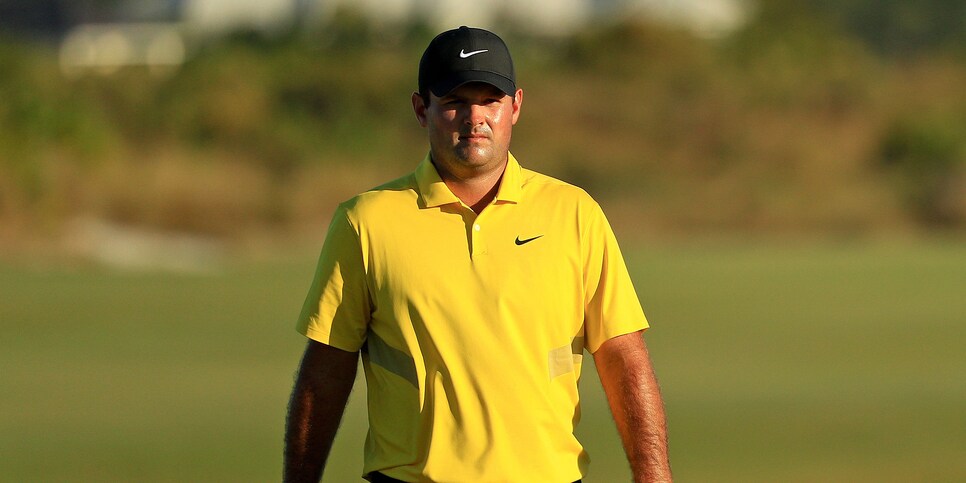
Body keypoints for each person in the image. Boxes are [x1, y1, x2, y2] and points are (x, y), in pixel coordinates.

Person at [284, 26, 671, 483]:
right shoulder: (366, 221)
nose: (475, 118)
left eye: (490, 100)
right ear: (420, 108)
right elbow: (326, 369)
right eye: (454, 102)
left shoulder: (575, 213)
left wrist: (654, 477)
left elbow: (623, 355)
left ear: (516, 106)